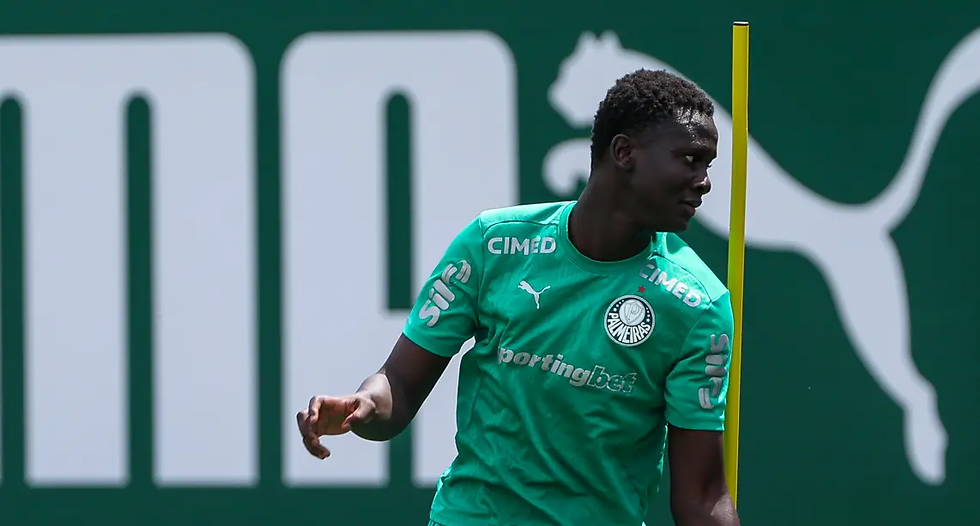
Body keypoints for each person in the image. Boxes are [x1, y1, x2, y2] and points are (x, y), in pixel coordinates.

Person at [296, 68, 741, 526]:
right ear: (624, 152)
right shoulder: (492, 244)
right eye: (690, 159)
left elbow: (702, 498)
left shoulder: (698, 305)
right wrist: (365, 405)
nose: (705, 181)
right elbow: (400, 386)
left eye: (708, 165)